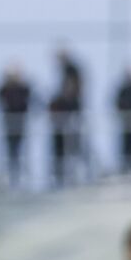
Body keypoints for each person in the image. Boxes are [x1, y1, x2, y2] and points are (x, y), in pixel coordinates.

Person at [48, 48, 87, 187]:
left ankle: (80, 177)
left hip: (71, 121)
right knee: (62, 150)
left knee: (77, 148)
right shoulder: (68, 71)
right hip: (62, 124)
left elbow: (73, 92)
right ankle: (60, 178)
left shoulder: (71, 70)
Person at [0, 64, 33, 189]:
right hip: (8, 125)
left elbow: (27, 98)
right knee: (10, 154)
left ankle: (23, 181)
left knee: (22, 153)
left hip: (21, 125)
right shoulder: (4, 89)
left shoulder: (23, 88)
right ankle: (11, 180)